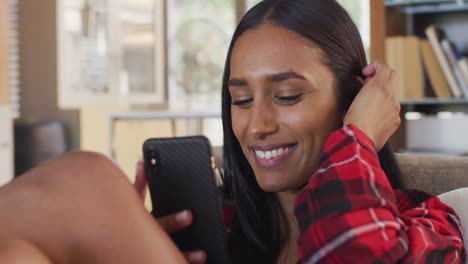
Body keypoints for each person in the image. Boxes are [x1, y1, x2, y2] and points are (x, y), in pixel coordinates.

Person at [0, 1, 464, 264]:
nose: (257, 125)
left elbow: (357, 254)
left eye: (286, 96)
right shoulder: (219, 230)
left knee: (89, 179)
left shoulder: (428, 223)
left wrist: (358, 136)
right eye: (240, 100)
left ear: (352, 100)